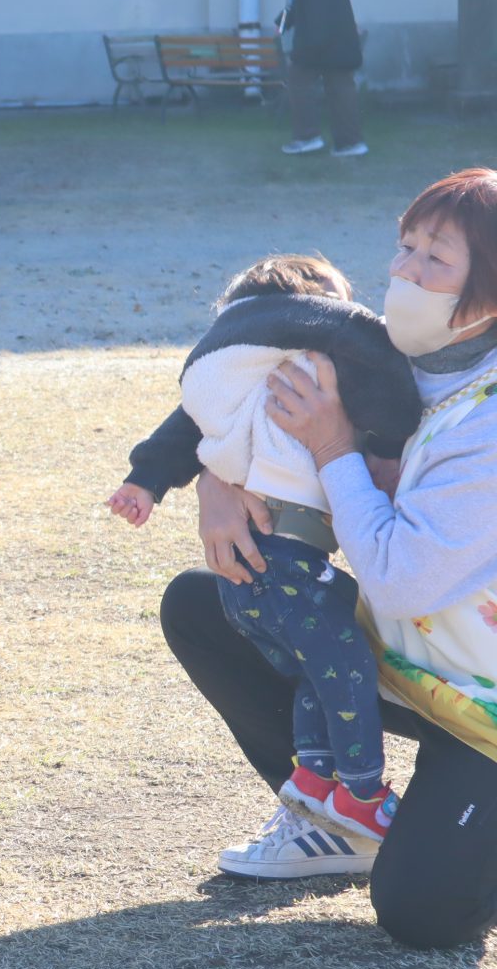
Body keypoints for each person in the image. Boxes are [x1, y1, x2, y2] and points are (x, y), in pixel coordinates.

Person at [165, 168, 497, 948]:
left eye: (436, 259)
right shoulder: (384, 357)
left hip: (483, 703)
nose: (406, 272)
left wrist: (333, 448)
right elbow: (239, 396)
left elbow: (400, 579)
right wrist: (217, 479)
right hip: (404, 660)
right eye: (405, 247)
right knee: (207, 603)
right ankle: (336, 814)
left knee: (422, 916)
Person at [110, 255, 418, 842]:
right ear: (308, 307)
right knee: (344, 665)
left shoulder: (232, 387)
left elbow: (185, 427)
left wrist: (146, 479)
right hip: (290, 564)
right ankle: (361, 794)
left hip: (250, 579)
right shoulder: (318, 364)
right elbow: (383, 384)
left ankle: (313, 778)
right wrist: (386, 445)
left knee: (313, 673)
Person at [277, 0, 366, 157]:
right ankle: (350, 143)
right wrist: (282, 22)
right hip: (336, 42)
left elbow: (314, 7)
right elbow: (302, 3)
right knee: (341, 88)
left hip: (321, 43)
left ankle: (308, 136)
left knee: (299, 80)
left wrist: (309, 48)